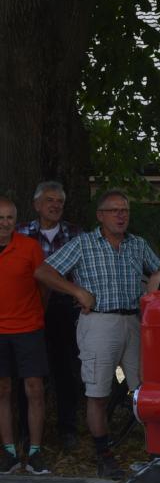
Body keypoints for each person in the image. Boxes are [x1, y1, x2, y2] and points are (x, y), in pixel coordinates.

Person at [33, 190, 160, 479]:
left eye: (125, 210)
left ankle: (157, 455)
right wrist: (77, 291)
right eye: (114, 210)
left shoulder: (137, 245)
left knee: (146, 391)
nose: (120, 216)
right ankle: (104, 456)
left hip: (133, 322)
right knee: (98, 393)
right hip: (99, 322)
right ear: (100, 216)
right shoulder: (83, 243)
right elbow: (43, 271)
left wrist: (151, 296)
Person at [15, 180, 83, 450]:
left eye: (59, 202)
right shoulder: (21, 233)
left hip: (64, 309)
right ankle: (25, 430)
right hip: (27, 308)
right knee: (28, 371)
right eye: (50, 200)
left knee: (66, 369)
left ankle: (67, 429)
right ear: (36, 205)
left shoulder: (77, 234)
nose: (55, 206)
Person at [0, 198, 49, 474]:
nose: (4, 223)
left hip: (28, 328)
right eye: (0, 217)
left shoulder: (29, 247)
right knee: (3, 390)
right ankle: (8, 452)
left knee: (35, 389)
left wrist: (36, 314)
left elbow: (44, 287)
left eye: (9, 217)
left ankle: (35, 451)